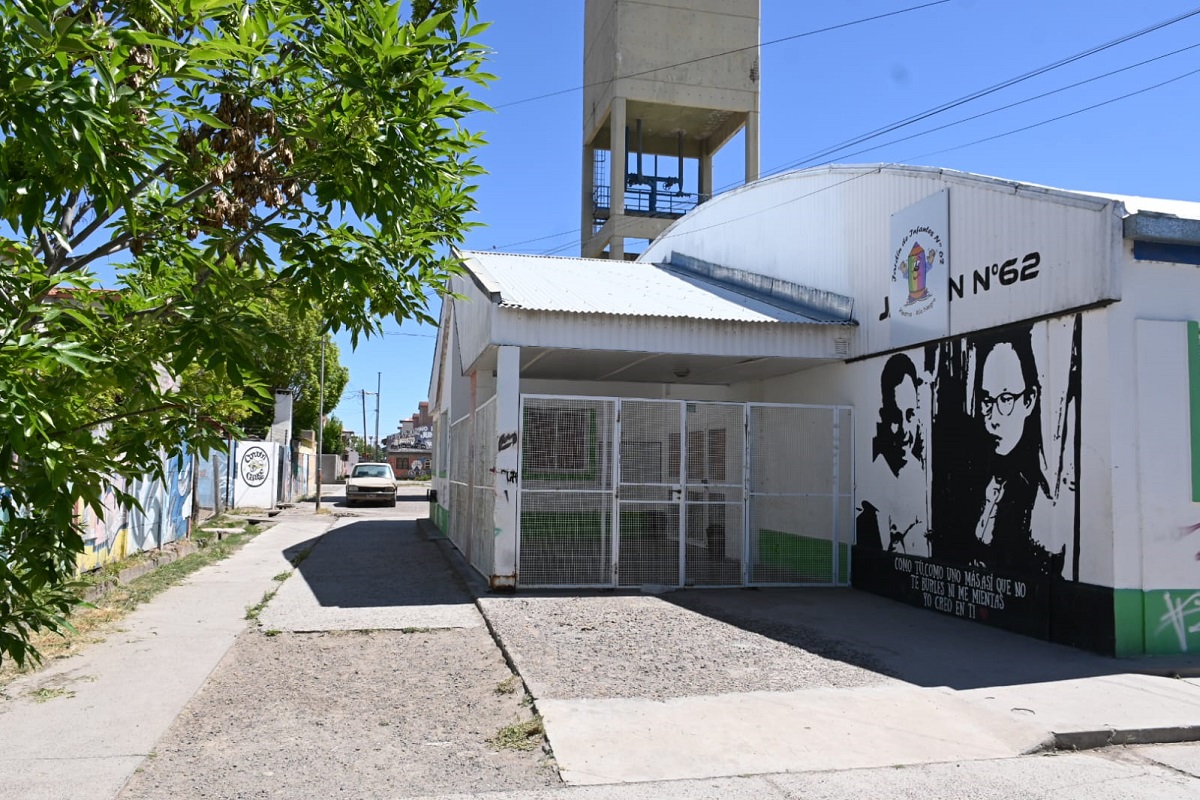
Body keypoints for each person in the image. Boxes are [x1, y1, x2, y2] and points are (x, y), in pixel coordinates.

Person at [969, 334, 1064, 575]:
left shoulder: (1038, 498)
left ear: (1029, 401)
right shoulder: (975, 477)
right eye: (987, 400)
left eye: (1006, 399)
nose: (993, 419)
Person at [858, 354, 928, 553]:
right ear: (884, 416)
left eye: (911, 414)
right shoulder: (869, 483)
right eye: (897, 417)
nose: (906, 429)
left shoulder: (920, 476)